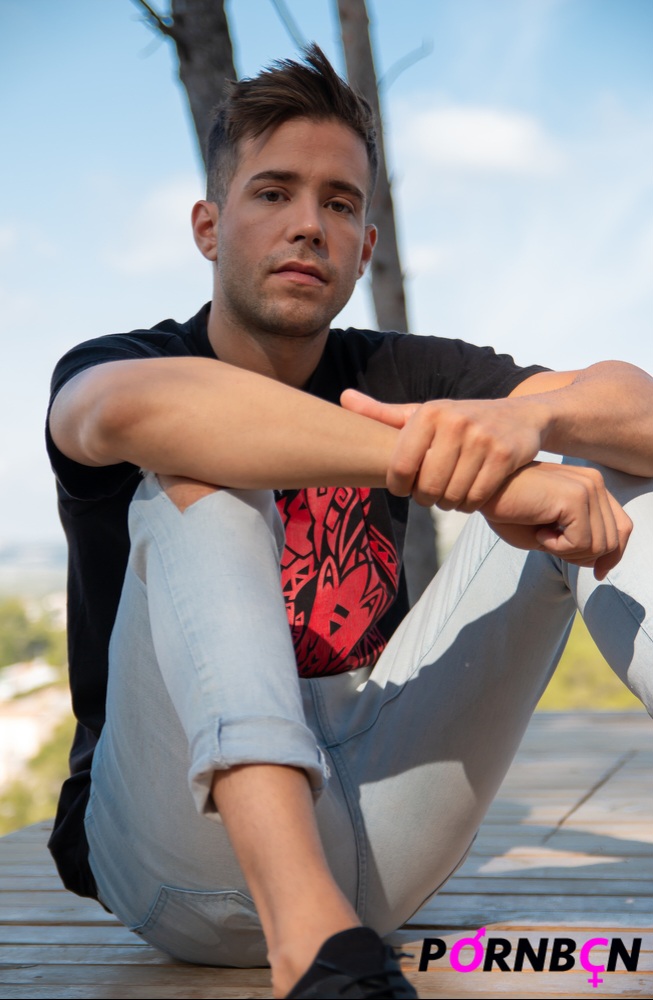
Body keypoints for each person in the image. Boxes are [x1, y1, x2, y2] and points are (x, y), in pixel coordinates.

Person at [46, 45, 653, 1000]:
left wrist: (534, 426)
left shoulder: (402, 370)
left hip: (379, 832)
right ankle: (310, 945)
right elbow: (123, 413)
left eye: (337, 203)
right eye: (272, 193)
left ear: (364, 247)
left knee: (599, 468)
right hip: (171, 857)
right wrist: (478, 481)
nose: (307, 224)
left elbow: (633, 407)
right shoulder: (125, 360)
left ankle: (335, 934)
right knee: (197, 476)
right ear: (209, 226)